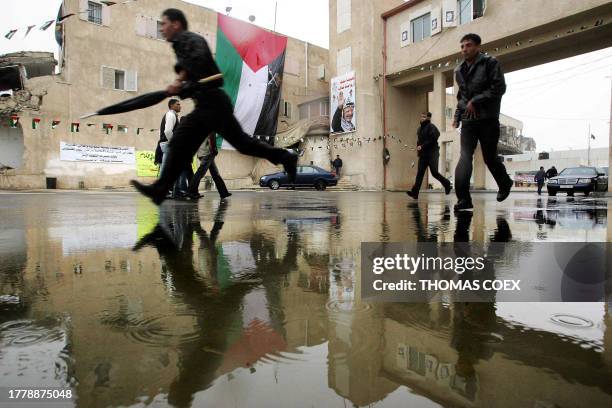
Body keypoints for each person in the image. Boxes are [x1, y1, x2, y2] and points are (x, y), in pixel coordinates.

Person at [131, 8, 297, 205]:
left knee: (233, 144)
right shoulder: (179, 46)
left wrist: (183, 83)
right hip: (206, 104)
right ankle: (285, 157)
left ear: (176, 24)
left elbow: (200, 58)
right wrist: (182, 80)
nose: (162, 28)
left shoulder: (191, 40)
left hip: (213, 102)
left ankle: (161, 188)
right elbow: (189, 70)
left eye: (164, 23)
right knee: (197, 144)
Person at [452, 33, 513, 211]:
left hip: (488, 119)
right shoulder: (458, 70)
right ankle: (463, 199)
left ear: (478, 46)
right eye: (462, 46)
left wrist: (476, 101)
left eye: (468, 45)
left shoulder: (490, 63)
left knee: (490, 158)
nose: (464, 49)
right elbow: (461, 96)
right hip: (468, 120)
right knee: (464, 157)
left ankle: (505, 183)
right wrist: (457, 116)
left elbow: (499, 88)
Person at [406, 112, 452, 199]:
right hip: (423, 155)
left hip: (432, 154)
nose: (422, 118)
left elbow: (433, 139)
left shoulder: (432, 127)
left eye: (424, 117)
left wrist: (422, 146)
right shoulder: (419, 129)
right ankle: (415, 193)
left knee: (434, 173)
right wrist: (418, 149)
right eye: (421, 116)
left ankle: (447, 183)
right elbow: (419, 142)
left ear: (428, 118)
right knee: (420, 173)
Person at [187, 132, 232, 200]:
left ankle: (223, 193)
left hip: (202, 152)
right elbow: (211, 137)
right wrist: (214, 150)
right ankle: (191, 192)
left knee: (215, 173)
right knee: (200, 173)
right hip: (207, 152)